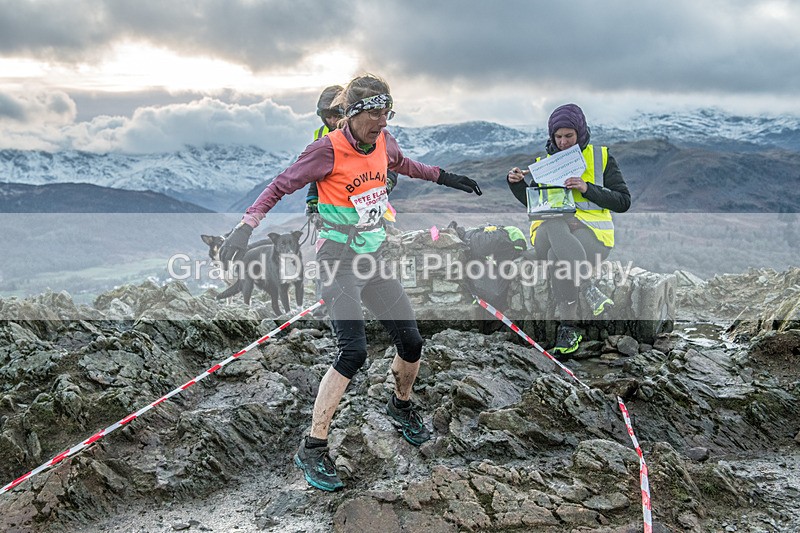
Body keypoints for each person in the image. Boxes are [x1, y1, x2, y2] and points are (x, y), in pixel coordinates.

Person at [219, 73, 482, 492]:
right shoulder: (326, 150)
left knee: (412, 342)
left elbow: (405, 164)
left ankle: (401, 405)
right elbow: (280, 185)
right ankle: (313, 446)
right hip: (337, 261)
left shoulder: (383, 140)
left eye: (388, 113)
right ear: (353, 113)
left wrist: (446, 177)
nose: (383, 122)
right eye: (376, 113)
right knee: (353, 351)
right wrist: (245, 227)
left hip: (373, 257)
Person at [507, 103, 630, 355]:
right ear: (552, 136)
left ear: (580, 133)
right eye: (558, 136)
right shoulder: (544, 164)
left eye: (569, 136)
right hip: (546, 236)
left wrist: (587, 188)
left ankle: (568, 329)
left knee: (556, 257)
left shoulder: (601, 158)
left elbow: (623, 202)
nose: (563, 142)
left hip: (591, 237)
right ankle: (587, 287)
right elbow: (535, 205)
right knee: (553, 221)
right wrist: (518, 186)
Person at [306, 85, 398, 222]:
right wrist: (312, 199)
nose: (332, 120)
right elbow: (317, 172)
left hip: (369, 203)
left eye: (336, 115)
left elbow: (392, 162)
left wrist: (387, 183)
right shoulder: (320, 135)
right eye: (327, 116)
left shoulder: (365, 132)